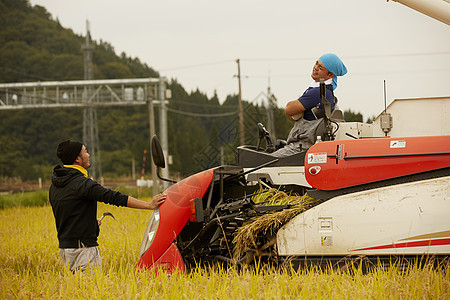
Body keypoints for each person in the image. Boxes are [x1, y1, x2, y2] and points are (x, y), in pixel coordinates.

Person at [49, 139, 166, 273]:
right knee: (91, 291)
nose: (88, 155)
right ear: (77, 159)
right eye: (85, 152)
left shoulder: (56, 185)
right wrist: (149, 205)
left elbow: (69, 213)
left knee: (76, 291)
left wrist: (90, 224)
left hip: (65, 249)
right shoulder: (82, 184)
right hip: (84, 250)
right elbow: (114, 197)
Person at [271, 53, 347, 157]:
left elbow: (289, 109)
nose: (315, 68)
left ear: (330, 75)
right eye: (316, 63)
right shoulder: (325, 91)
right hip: (305, 146)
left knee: (264, 162)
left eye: (320, 67)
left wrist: (293, 109)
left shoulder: (318, 92)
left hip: (301, 148)